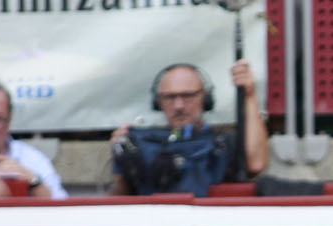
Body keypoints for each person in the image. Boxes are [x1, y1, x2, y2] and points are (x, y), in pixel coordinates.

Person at [109, 60, 269, 196]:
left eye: (187, 96)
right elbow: (119, 198)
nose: (178, 106)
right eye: (170, 97)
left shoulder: (224, 142)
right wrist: (122, 155)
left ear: (205, 98)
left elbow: (256, 164)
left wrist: (249, 95)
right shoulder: (142, 145)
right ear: (158, 102)